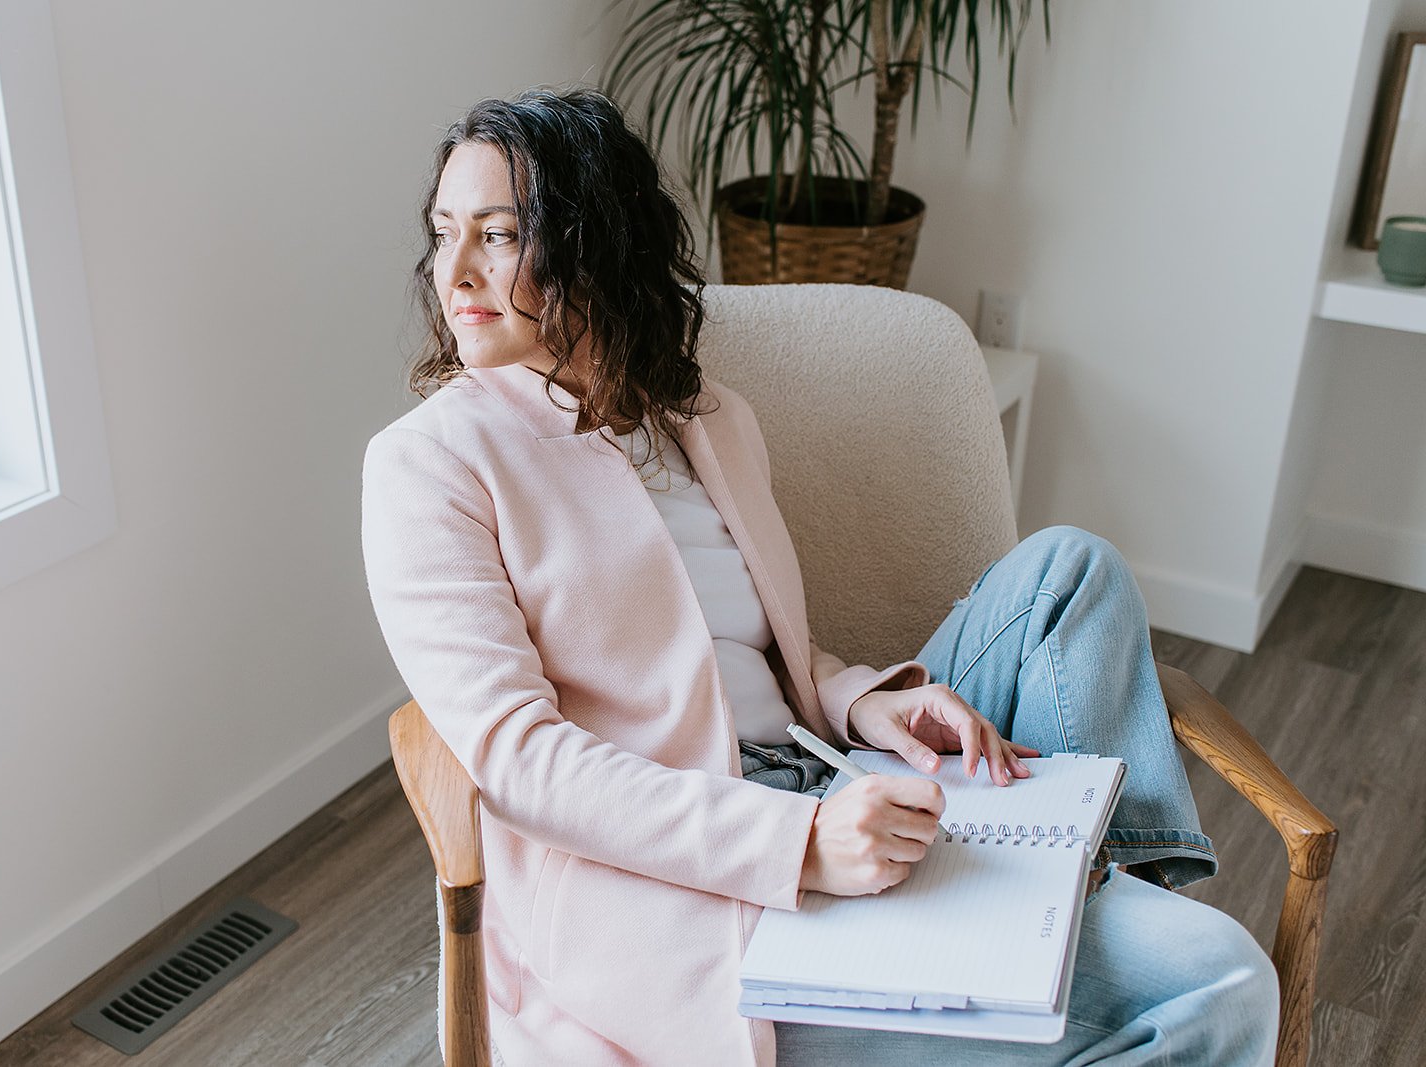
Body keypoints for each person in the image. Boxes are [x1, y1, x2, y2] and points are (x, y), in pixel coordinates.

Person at [361, 86, 1278, 1067]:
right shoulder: (432, 464)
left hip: (826, 766)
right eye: (445, 233)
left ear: (596, 242)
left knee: (1069, 569)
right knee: (1219, 978)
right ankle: (1058, 912)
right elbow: (519, 760)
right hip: (693, 873)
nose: (454, 271)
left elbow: (754, 648)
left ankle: (1078, 883)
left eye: (497, 235)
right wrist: (799, 841)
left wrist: (866, 702)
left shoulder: (704, 417)